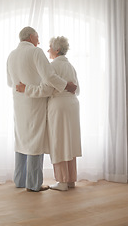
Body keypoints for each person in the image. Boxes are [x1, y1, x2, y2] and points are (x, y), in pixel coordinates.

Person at [7, 27, 77, 192]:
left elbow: (10, 83)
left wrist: (24, 87)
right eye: (37, 38)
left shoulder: (11, 55)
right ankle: (33, 183)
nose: (39, 42)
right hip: (34, 103)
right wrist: (66, 85)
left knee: (22, 140)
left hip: (18, 103)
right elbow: (49, 78)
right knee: (35, 142)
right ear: (31, 37)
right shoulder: (35, 52)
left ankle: (20, 180)